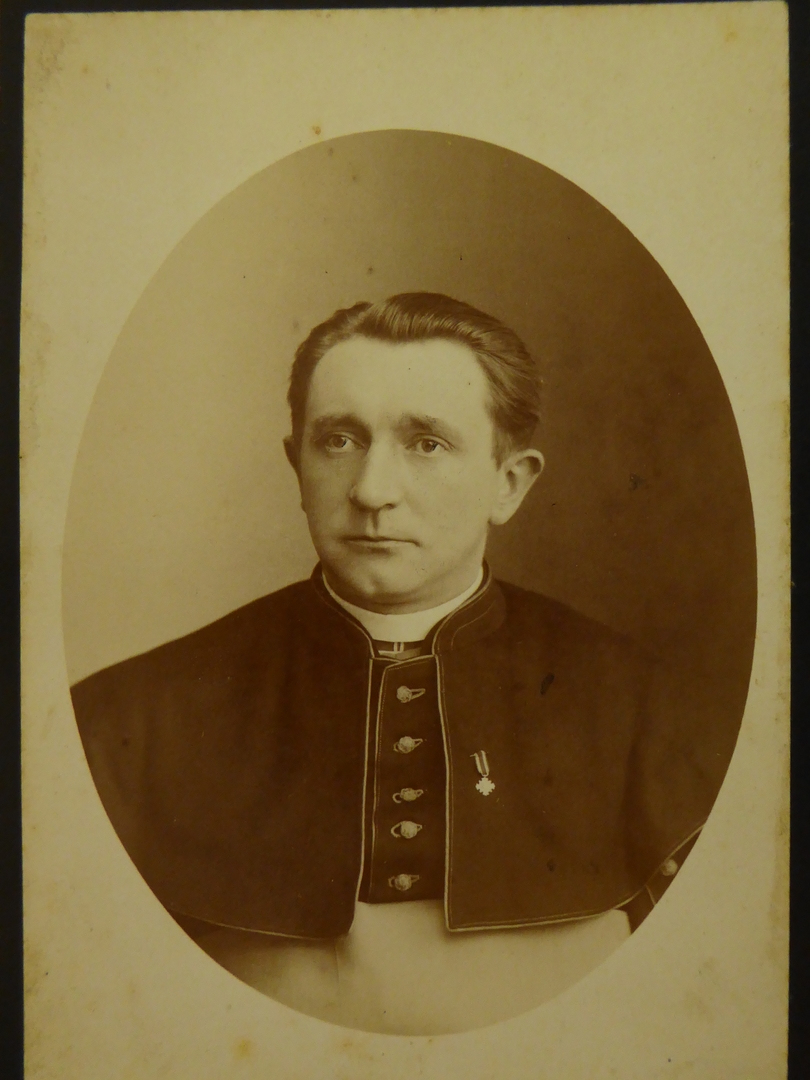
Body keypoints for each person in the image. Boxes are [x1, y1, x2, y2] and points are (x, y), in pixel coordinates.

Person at [71, 293, 709, 1033]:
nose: (371, 491)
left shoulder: (641, 704)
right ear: (296, 465)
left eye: (426, 444)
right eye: (339, 440)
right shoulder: (130, 716)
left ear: (509, 483)